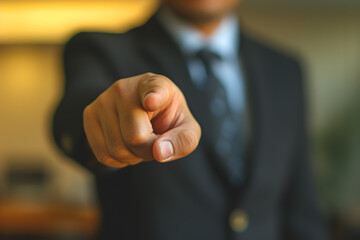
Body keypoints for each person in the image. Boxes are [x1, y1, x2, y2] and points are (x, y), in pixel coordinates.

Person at [52, 0, 328, 239]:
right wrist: (103, 121)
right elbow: (78, 110)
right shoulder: (102, 51)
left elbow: (301, 211)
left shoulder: (285, 70)